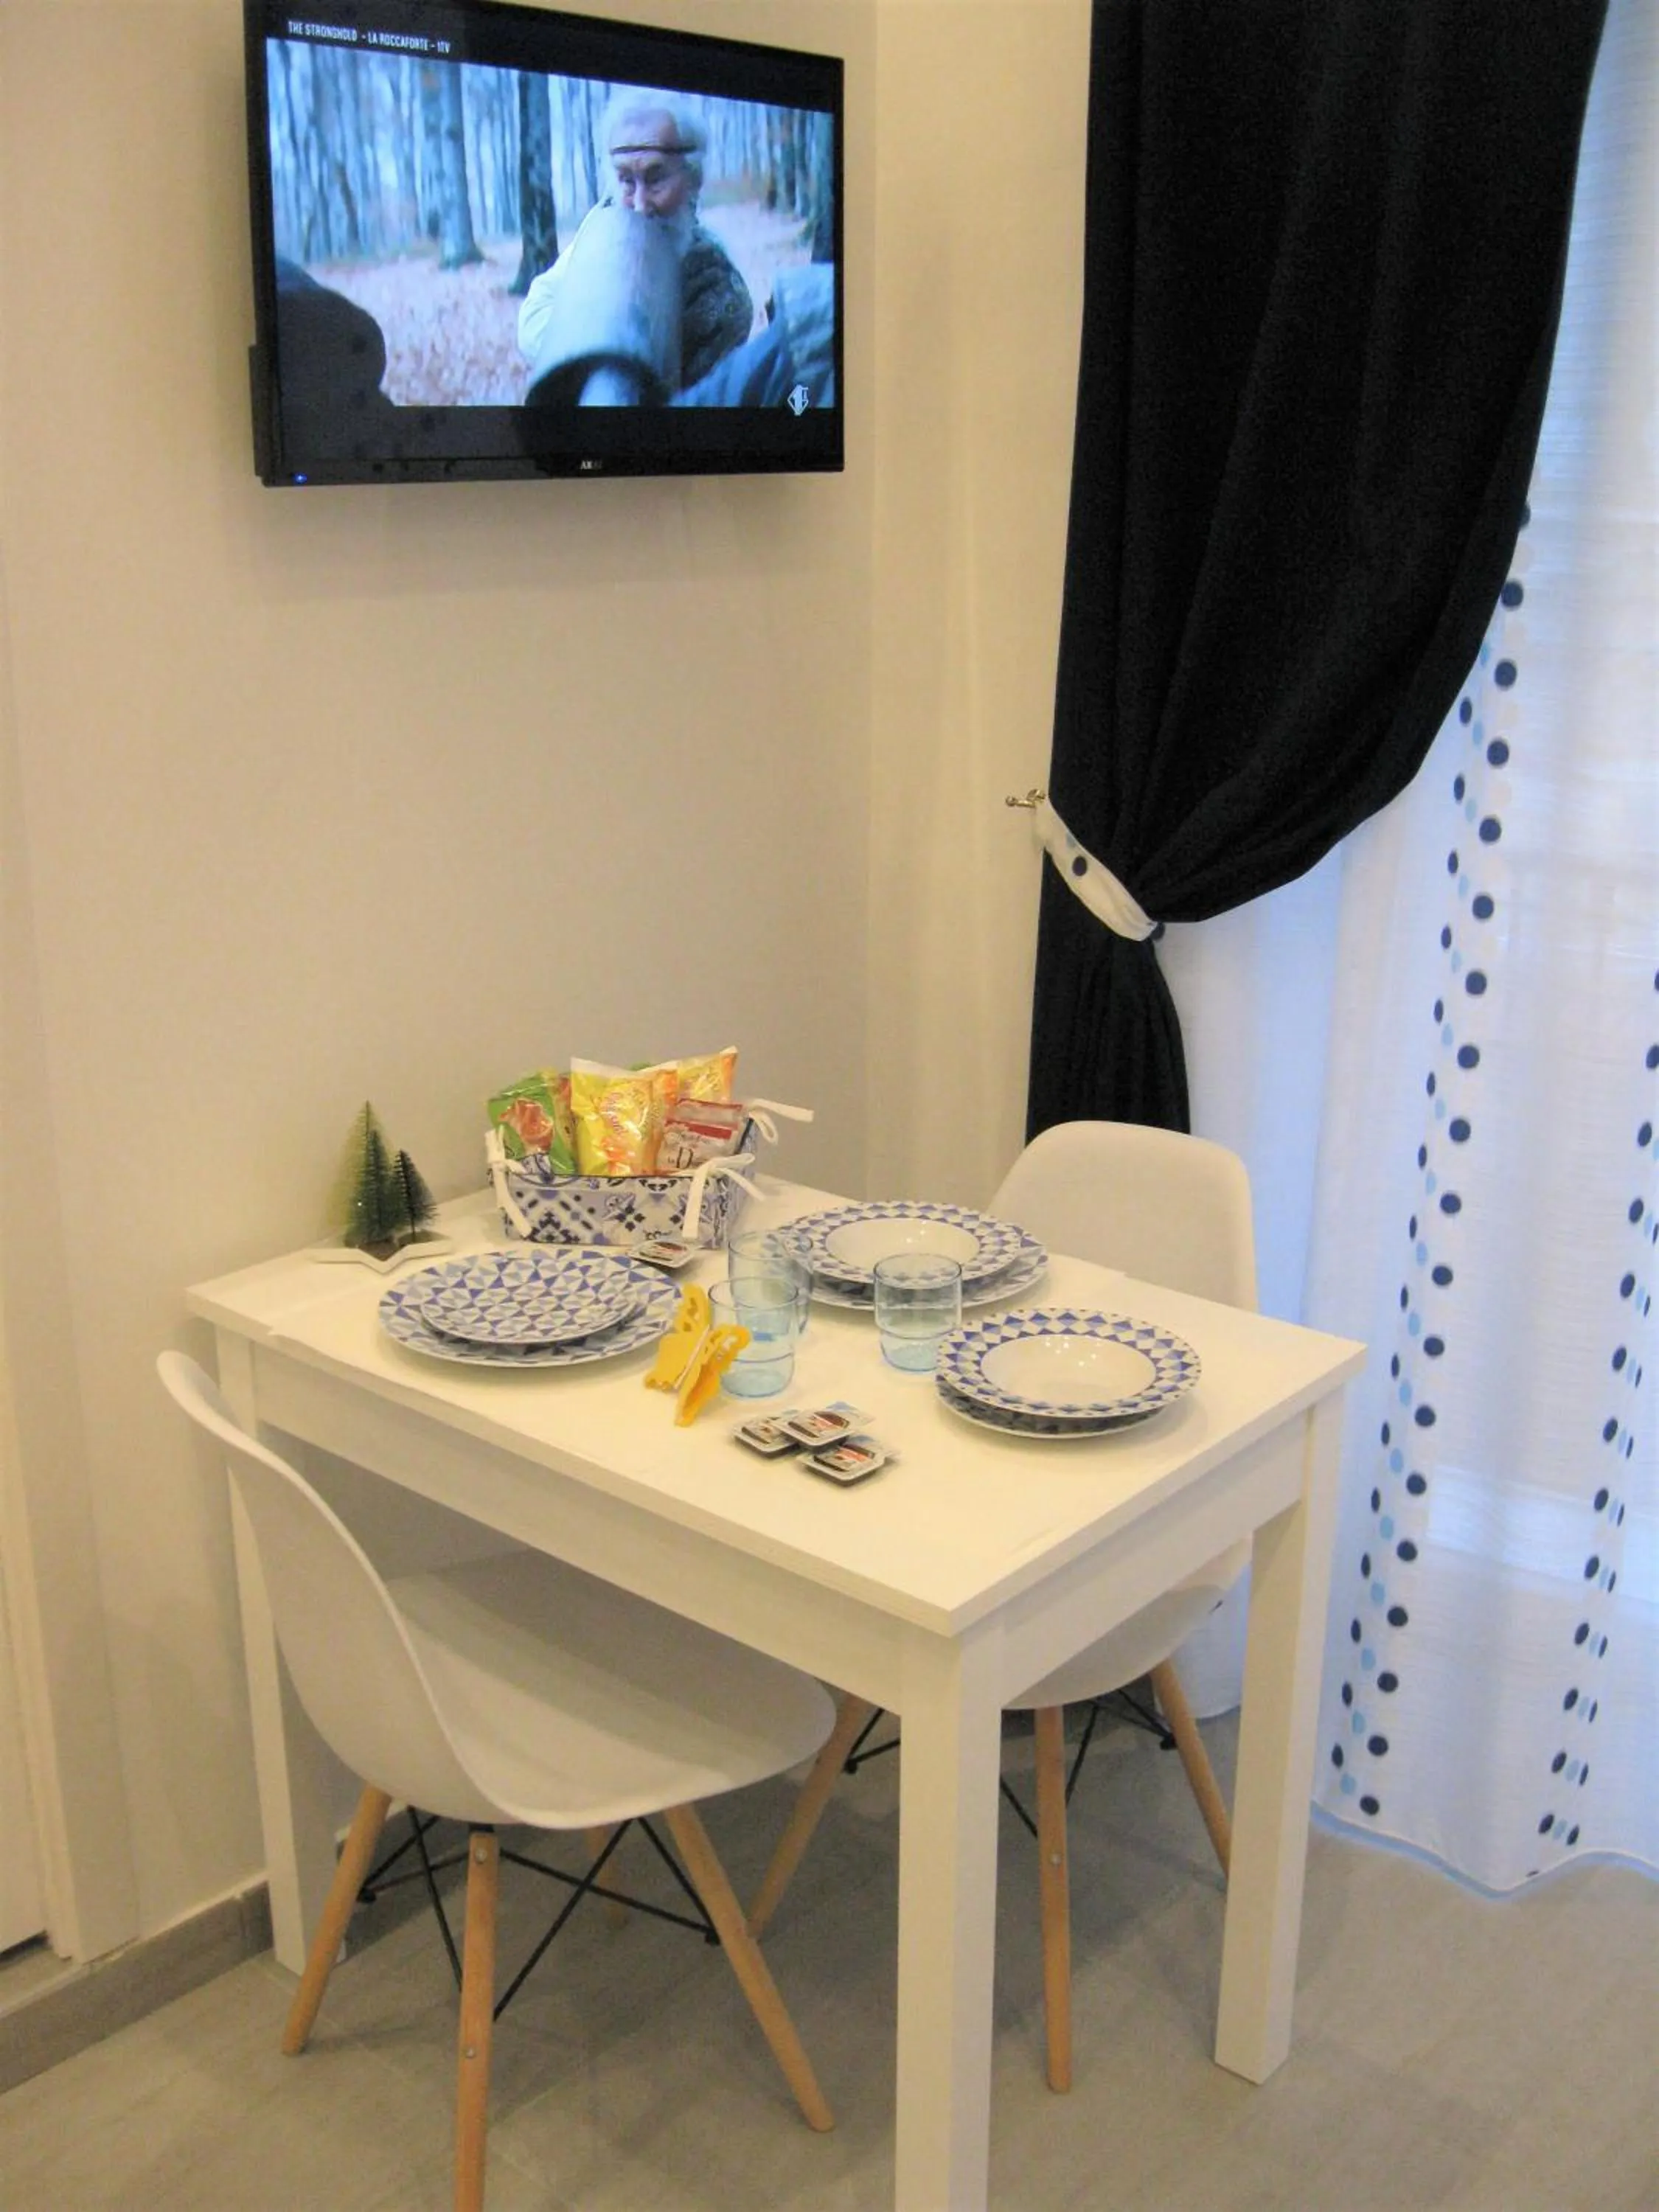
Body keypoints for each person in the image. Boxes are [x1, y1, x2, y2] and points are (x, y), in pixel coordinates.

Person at [518, 93, 754, 404]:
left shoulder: (722, 293)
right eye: (627, 181)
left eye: (656, 179)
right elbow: (533, 316)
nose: (640, 205)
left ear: (692, 180)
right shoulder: (605, 224)